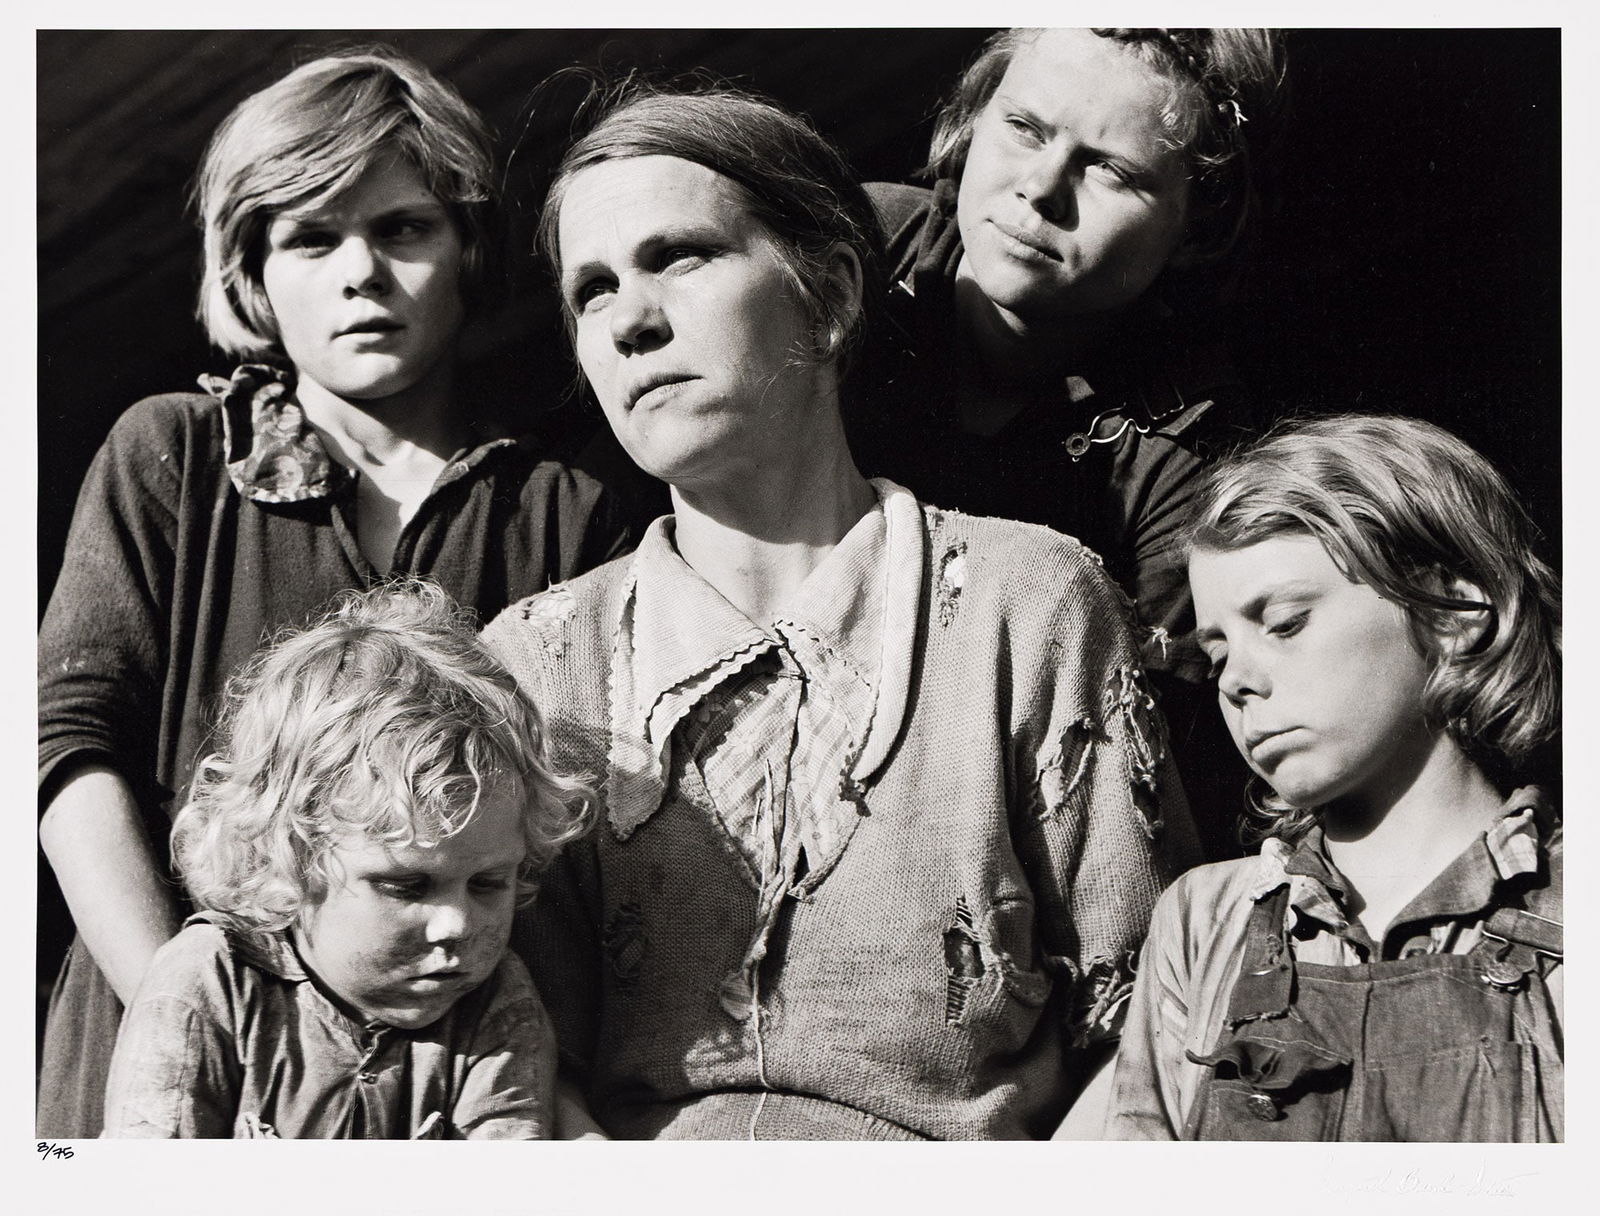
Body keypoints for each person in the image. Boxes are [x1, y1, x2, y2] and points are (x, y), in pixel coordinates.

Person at [479, 84, 1201, 1141]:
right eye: (591, 289)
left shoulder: (1029, 604)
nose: (629, 319)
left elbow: (1148, 1034)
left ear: (829, 293)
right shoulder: (535, 665)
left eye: (679, 256)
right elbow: (511, 1061)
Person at [37, 47, 632, 1138]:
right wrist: (194, 1007)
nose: (360, 269)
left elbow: (565, 844)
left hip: (451, 1095)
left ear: (467, 248)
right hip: (157, 1062)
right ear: (253, 272)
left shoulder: (563, 507)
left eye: (402, 227)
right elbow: (64, 752)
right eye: (312, 237)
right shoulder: (172, 454)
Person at [853, 28, 1289, 857]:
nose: (1042, 190)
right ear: (973, 120)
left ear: (1198, 228)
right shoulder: (856, 250)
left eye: (1112, 170)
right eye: (1023, 128)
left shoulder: (1191, 461)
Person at [1108, 414, 1562, 1141]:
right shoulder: (1202, 921)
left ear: (1452, 612)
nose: (1238, 683)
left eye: (1285, 623)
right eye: (1218, 655)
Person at [101, 581, 589, 1139]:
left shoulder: (495, 1004)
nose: (457, 923)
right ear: (289, 858)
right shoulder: (208, 983)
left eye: (488, 883)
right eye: (406, 885)